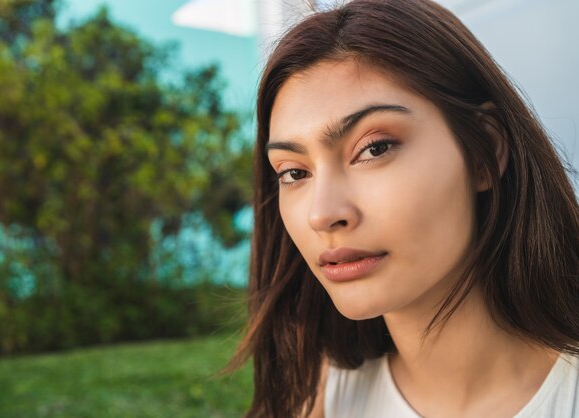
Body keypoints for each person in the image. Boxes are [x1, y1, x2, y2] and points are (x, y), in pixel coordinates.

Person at [229, 0, 579, 416]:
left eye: (374, 149)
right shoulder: (319, 398)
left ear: (484, 151)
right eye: (293, 172)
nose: (321, 214)